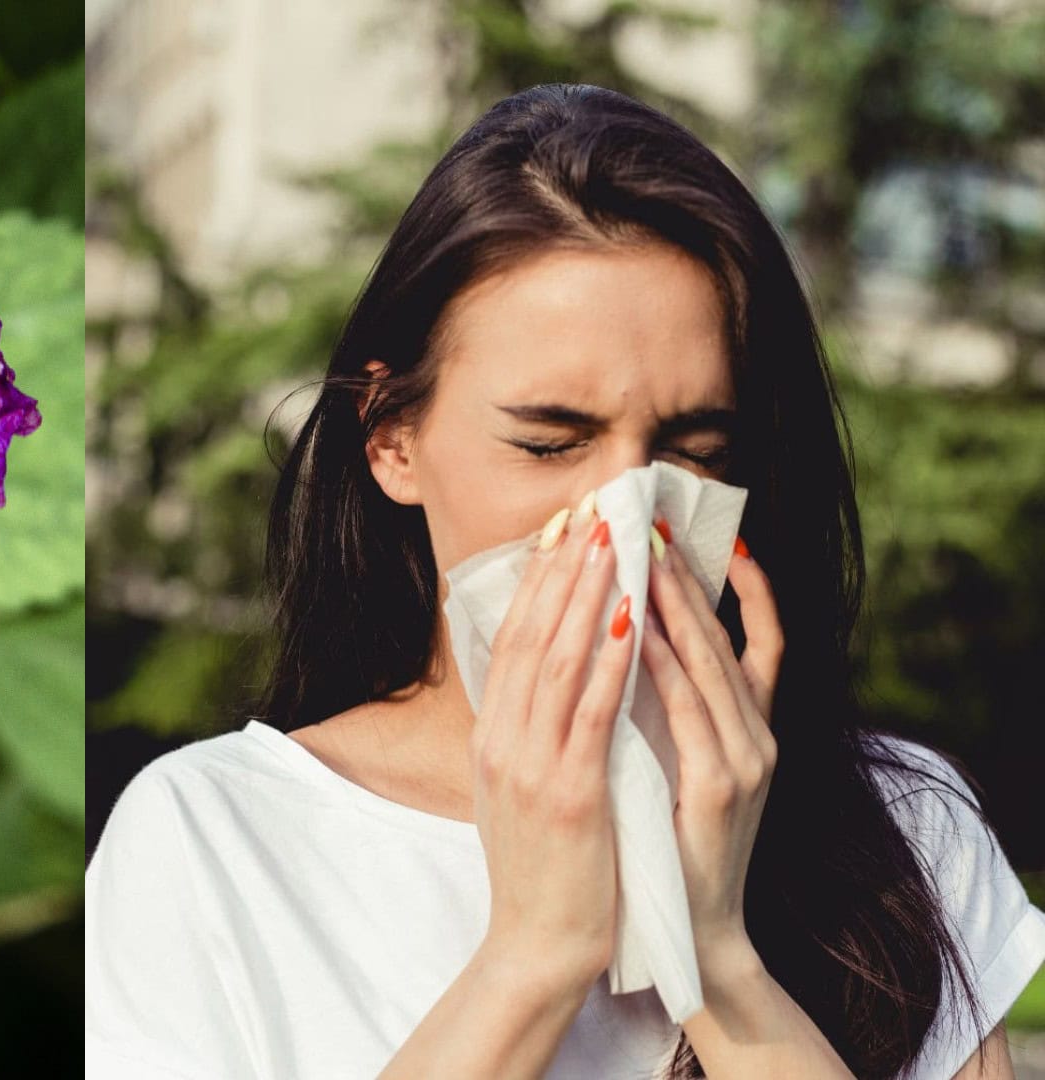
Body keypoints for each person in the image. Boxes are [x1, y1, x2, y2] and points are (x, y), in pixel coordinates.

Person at [84, 83, 1045, 1079]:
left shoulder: (901, 831)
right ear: (392, 440)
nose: (623, 519)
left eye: (692, 448)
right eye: (550, 443)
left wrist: (712, 956)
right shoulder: (213, 840)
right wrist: (533, 958)